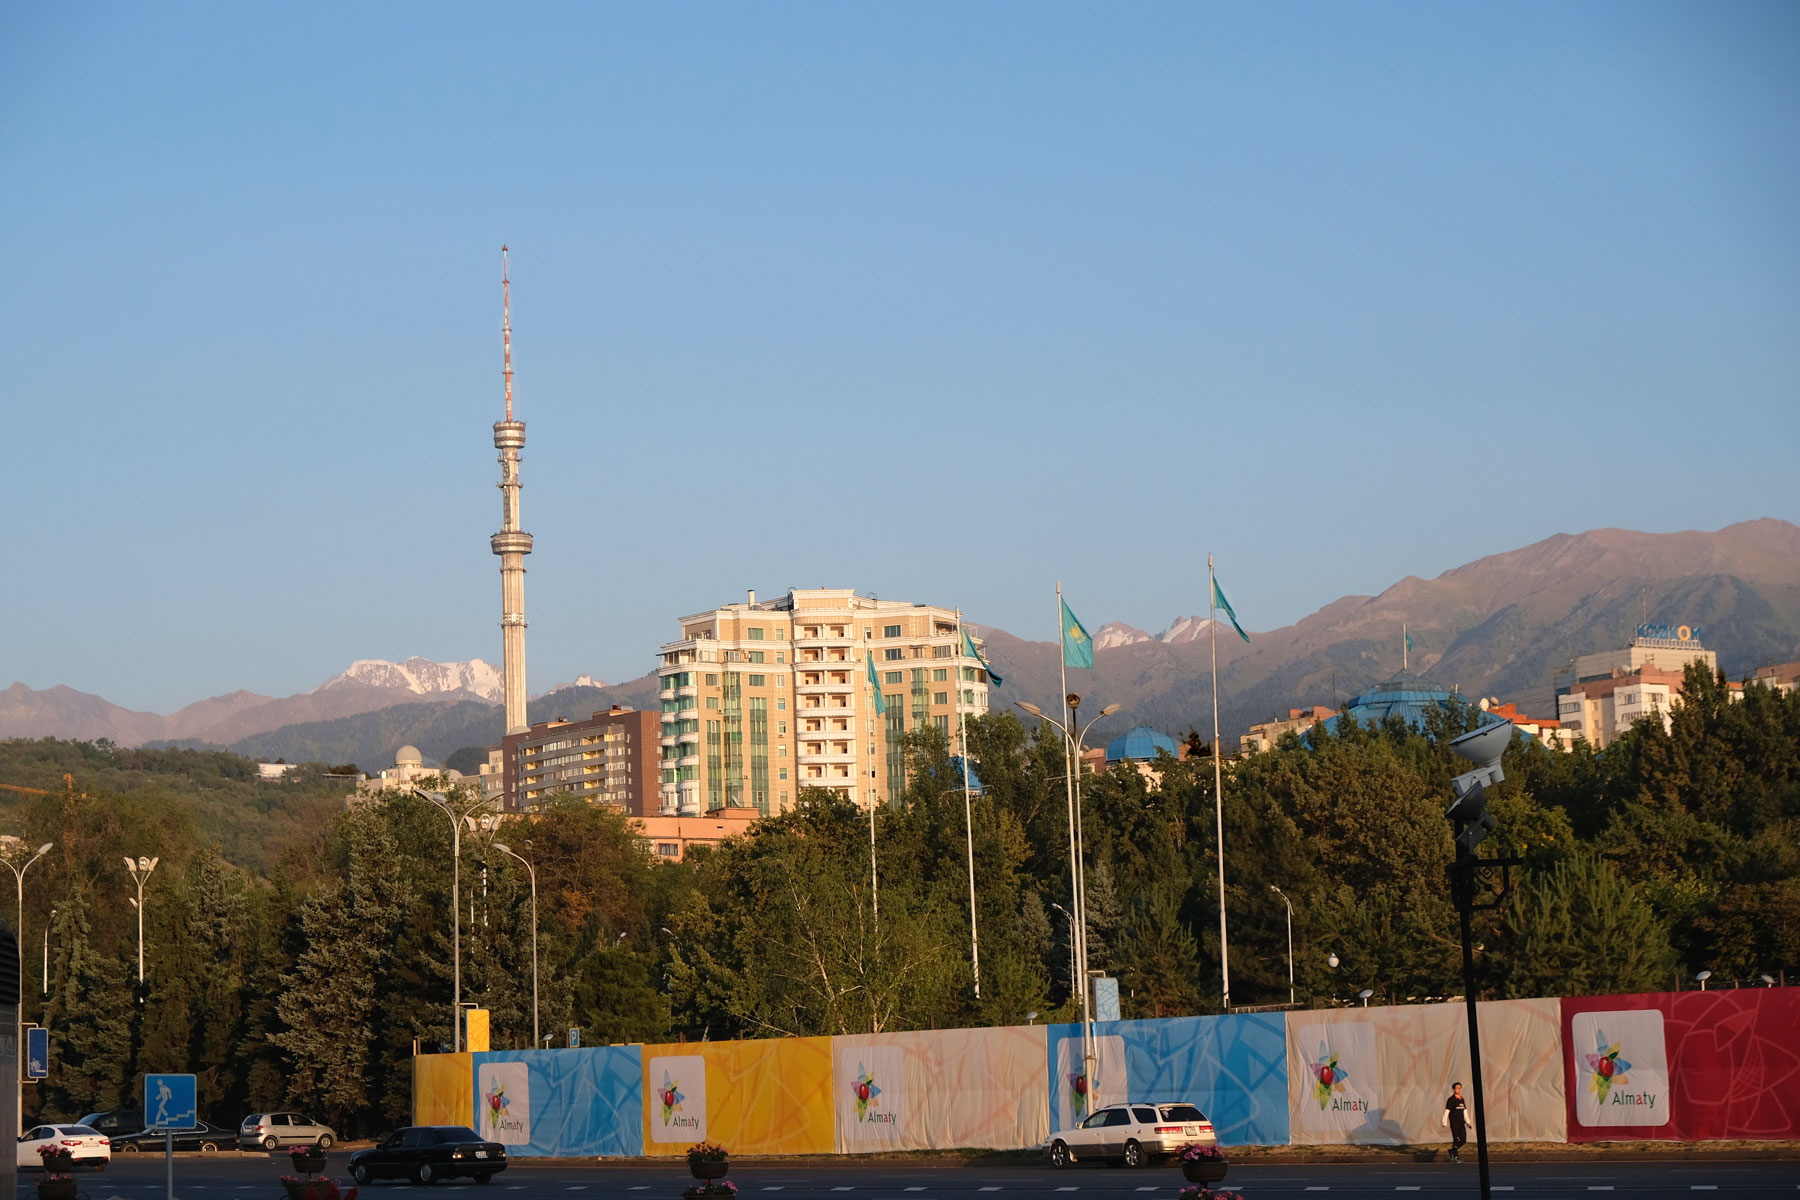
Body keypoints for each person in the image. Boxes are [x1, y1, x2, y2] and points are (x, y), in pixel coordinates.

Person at [1445, 1081, 1468, 1163]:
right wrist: (1444, 1121)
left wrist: (1468, 1121)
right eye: (1457, 1088)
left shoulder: (1462, 1099)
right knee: (1456, 1139)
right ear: (1453, 1089)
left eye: (1460, 1088)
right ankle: (1455, 1156)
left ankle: (1452, 1150)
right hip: (1454, 1123)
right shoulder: (1451, 1100)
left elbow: (1465, 1111)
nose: (1459, 1089)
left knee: (1463, 1140)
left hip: (1462, 1123)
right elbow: (1447, 1111)